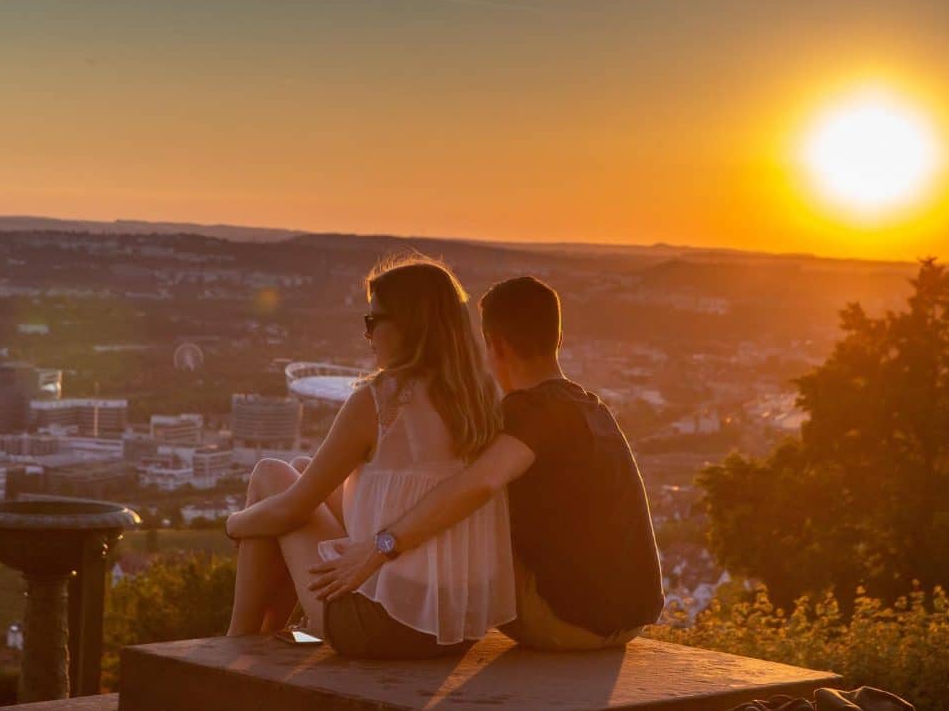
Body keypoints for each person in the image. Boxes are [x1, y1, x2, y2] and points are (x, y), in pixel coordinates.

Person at [310, 275, 666, 650]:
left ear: (494, 345)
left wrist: (381, 546)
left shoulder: (532, 410)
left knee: (458, 515)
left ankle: (353, 615)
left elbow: (481, 483)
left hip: (566, 622)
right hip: (630, 618)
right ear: (558, 339)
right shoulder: (587, 404)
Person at [225, 257, 514, 658]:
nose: (367, 333)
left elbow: (291, 510)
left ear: (408, 325)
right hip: (456, 623)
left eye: (373, 320)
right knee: (302, 470)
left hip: (382, 624)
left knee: (270, 475)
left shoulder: (380, 401)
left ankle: (236, 639)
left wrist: (233, 524)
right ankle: (278, 632)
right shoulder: (484, 396)